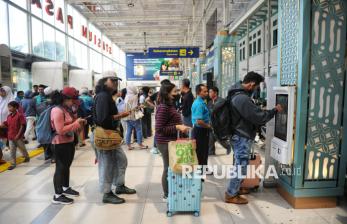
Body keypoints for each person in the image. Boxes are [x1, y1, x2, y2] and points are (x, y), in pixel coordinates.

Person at [225, 71, 283, 205]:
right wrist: (274, 110)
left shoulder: (235, 91)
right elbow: (259, 117)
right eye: (256, 87)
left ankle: (235, 188)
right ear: (251, 84)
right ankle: (231, 194)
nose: (256, 89)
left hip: (237, 135)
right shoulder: (242, 98)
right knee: (241, 166)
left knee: (239, 164)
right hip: (241, 136)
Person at [92, 75, 136, 205]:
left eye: (117, 81)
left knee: (121, 160)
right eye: (113, 80)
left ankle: (119, 185)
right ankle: (107, 193)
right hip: (104, 136)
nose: (116, 83)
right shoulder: (103, 97)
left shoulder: (106, 96)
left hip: (111, 135)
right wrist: (120, 115)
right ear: (105, 81)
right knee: (107, 165)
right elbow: (103, 119)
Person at [155, 82, 190, 201]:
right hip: (165, 142)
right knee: (168, 168)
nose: (177, 93)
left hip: (171, 141)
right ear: (167, 93)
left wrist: (180, 127)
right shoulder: (164, 107)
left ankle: (172, 191)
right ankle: (166, 195)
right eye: (175, 91)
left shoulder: (169, 105)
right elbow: (159, 129)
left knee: (171, 167)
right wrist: (177, 127)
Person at [50, 88, 85, 205]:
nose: (74, 103)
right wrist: (75, 124)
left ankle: (65, 187)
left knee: (66, 166)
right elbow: (60, 130)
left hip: (69, 141)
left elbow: (70, 124)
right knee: (60, 168)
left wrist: (79, 122)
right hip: (59, 143)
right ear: (65, 99)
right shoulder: (57, 111)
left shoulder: (66, 109)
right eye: (72, 100)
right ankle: (57, 195)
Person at [0, 101, 30, 170]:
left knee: (22, 148)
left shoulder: (20, 115)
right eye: (8, 107)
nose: (9, 108)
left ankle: (26, 157)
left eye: (10, 107)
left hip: (18, 137)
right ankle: (13, 164)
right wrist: (3, 125)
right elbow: (7, 123)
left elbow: (22, 126)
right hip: (10, 136)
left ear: (15, 107)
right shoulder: (9, 116)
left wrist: (19, 135)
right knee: (12, 151)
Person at [191, 84, 211, 168]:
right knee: (201, 152)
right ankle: (201, 172)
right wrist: (209, 126)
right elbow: (199, 121)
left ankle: (203, 169)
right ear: (199, 92)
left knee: (204, 151)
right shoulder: (199, 104)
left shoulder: (202, 102)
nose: (207, 93)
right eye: (205, 91)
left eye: (207, 91)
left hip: (201, 130)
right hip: (200, 131)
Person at [124, 85, 148, 150]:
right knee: (138, 129)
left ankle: (128, 145)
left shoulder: (126, 96)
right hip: (134, 116)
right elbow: (135, 107)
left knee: (129, 130)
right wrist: (140, 106)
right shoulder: (134, 96)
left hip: (127, 116)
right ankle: (140, 144)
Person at [207, 86, 226, 156]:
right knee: (211, 138)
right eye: (209, 92)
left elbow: (212, 110)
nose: (209, 93)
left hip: (220, 124)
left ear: (215, 93)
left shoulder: (221, 101)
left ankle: (227, 146)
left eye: (210, 92)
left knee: (217, 138)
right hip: (212, 124)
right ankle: (211, 152)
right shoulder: (209, 102)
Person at [0, 86, 14, 151]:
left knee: (8, 136)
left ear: (7, 92)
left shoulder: (12, 102)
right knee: (2, 136)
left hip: (8, 123)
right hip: (1, 123)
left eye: (3, 91)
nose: (1, 93)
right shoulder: (0, 100)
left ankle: (9, 147)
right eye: (0, 91)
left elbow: (13, 114)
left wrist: (5, 122)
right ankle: (4, 146)